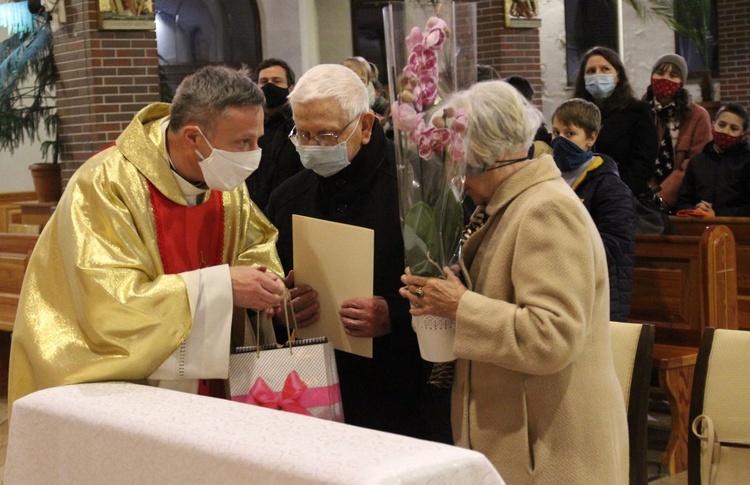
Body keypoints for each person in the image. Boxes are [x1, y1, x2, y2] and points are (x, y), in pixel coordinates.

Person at [8, 65, 289, 411]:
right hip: (128, 391)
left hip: (217, 382)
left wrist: (262, 279)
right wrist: (222, 286)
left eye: (257, 140)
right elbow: (109, 306)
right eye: (243, 142)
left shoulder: (222, 179)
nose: (253, 153)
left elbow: (254, 243)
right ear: (193, 138)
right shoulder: (104, 184)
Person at [399, 81, 628, 482]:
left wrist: (460, 305)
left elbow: (553, 336)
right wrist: (443, 291)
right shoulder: (510, 204)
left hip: (549, 448)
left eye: (465, 166)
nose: (462, 181)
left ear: (499, 157)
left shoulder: (547, 210)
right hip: (519, 437)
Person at [265, 64, 448, 443]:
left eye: (328, 134)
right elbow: (272, 291)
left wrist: (393, 315)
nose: (313, 146)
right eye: (304, 134)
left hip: (405, 388)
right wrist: (284, 311)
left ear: (366, 126)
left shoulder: (417, 188)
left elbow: (455, 287)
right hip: (318, 389)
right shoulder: (288, 198)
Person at [551, 98, 637, 322]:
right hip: (557, 292)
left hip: (598, 299)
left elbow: (614, 245)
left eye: (569, 134)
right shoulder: (547, 178)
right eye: (555, 132)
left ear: (591, 138)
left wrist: (561, 257)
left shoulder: (608, 185)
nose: (560, 140)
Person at [573, 46, 658, 198]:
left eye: (605, 69)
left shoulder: (638, 112)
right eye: (591, 71)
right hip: (579, 196)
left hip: (623, 196)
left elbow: (643, 166)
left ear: (618, 76)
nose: (598, 75)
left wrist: (610, 193)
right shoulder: (572, 114)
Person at [643, 53, 712, 208]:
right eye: (660, 73)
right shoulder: (641, 111)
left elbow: (695, 162)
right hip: (641, 196)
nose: (665, 79)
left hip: (682, 197)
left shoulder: (697, 115)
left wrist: (661, 198)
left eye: (673, 75)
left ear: (681, 83)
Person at [245, 58, 303, 211]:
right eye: (264, 81)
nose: (269, 86)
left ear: (291, 88)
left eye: (276, 81)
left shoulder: (301, 125)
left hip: (288, 211)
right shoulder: (246, 125)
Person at [677, 103, 750, 216]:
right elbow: (683, 201)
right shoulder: (697, 162)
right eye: (721, 125)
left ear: (744, 134)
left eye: (734, 128)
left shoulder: (746, 161)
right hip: (699, 225)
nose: (725, 131)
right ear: (713, 124)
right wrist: (696, 209)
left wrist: (717, 214)